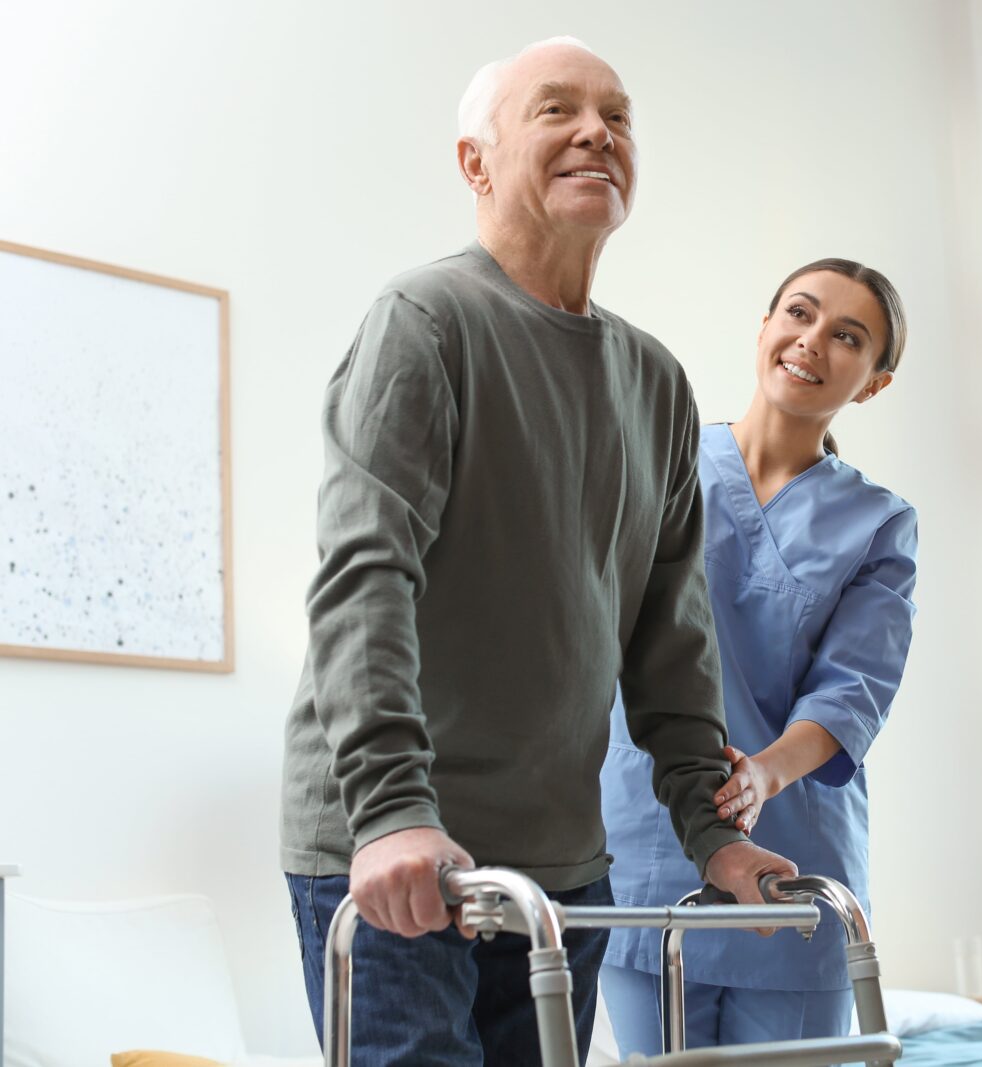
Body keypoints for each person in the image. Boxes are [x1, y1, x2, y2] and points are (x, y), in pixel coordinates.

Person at [278, 37, 795, 1066]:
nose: (597, 130)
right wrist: (388, 812)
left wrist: (712, 828)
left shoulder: (654, 380)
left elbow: (668, 634)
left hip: (559, 865)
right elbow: (362, 578)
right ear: (476, 161)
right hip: (396, 848)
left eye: (616, 114)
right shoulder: (425, 321)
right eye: (555, 110)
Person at [599, 258, 918, 1054]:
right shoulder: (658, 467)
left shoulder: (880, 524)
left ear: (873, 381)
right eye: (799, 314)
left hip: (794, 854)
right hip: (647, 842)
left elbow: (850, 692)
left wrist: (763, 774)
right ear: (766, 327)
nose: (813, 341)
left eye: (848, 336)